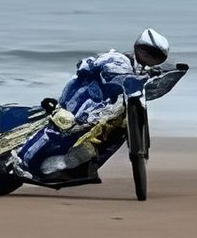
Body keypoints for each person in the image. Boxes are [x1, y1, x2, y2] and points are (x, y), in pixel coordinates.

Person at [15, 28, 170, 177]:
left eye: (155, 56)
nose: (149, 57)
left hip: (106, 106)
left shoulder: (140, 69)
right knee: (65, 124)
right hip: (84, 96)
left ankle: (70, 162)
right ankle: (21, 161)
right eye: (147, 51)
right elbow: (112, 73)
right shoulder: (118, 59)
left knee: (112, 133)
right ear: (138, 47)